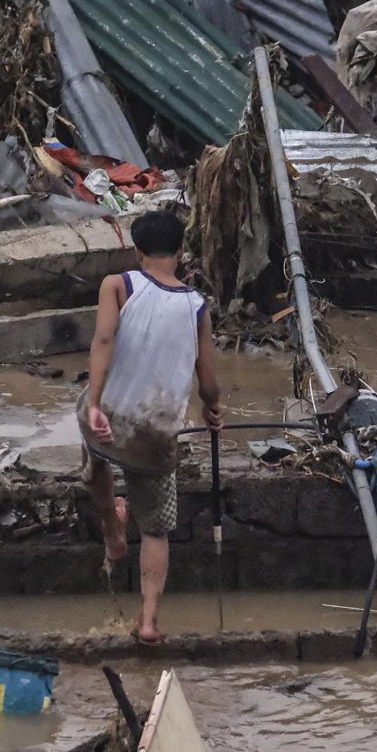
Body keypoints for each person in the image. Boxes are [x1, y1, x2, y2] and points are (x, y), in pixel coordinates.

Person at [79, 208, 222, 644]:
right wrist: (213, 409)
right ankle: (148, 621)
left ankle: (111, 527)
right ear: (180, 251)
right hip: (157, 433)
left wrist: (96, 403)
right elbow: (208, 379)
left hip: (110, 416)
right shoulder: (196, 307)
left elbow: (103, 339)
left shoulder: (117, 285)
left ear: (137, 251)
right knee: (156, 529)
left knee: (96, 458)